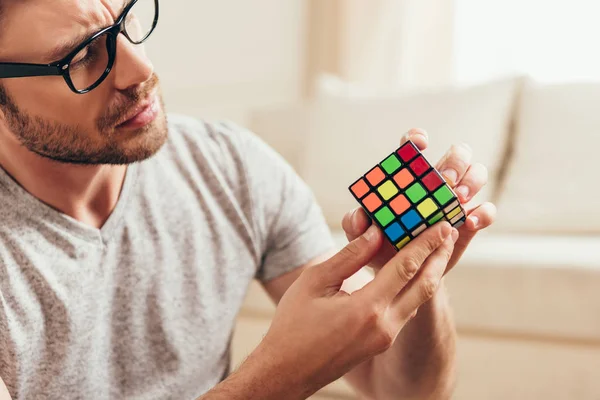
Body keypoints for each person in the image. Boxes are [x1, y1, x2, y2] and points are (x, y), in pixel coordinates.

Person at [0, 0, 496, 399]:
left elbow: (410, 393)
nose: (140, 69)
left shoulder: (231, 166)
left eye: (127, 20)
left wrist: (416, 272)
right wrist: (278, 378)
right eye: (82, 56)